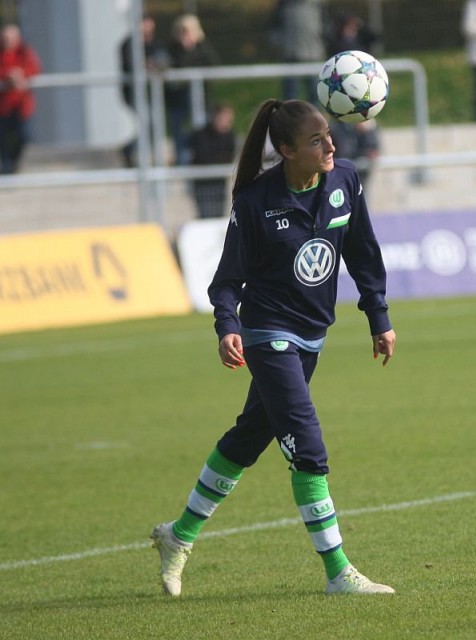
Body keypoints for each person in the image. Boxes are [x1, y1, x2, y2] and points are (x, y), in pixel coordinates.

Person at [150, 98, 396, 597]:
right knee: (307, 446)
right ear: (285, 150)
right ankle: (338, 572)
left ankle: (177, 537)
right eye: (315, 140)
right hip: (268, 335)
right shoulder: (256, 202)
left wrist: (378, 316)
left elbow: (363, 252)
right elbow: (225, 282)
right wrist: (227, 326)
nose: (330, 144)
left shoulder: (344, 180)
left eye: (328, 135)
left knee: (248, 438)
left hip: (312, 336)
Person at [165, 14, 219, 165]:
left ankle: (202, 164)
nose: (186, 35)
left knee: (202, 136)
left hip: (202, 100)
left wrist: (192, 49)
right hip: (178, 101)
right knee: (180, 135)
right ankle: (183, 167)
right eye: (183, 31)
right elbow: (176, 69)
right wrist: (186, 49)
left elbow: (212, 66)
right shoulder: (173, 49)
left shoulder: (203, 47)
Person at [119, 14, 167, 167]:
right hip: (134, 92)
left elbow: (163, 60)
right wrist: (145, 64)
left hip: (151, 92)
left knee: (152, 125)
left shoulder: (154, 43)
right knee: (148, 123)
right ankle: (131, 152)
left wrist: (155, 64)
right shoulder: (129, 44)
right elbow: (130, 64)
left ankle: (132, 151)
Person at [0, 24, 41, 174]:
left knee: (23, 136)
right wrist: (8, 76)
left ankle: (13, 164)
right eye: (4, 38)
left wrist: (20, 74)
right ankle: (7, 168)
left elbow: (35, 69)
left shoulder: (24, 52)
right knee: (3, 138)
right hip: (3, 107)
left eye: (10, 38)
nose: (7, 41)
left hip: (21, 105)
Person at [189, 103, 237, 218]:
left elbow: (229, 156)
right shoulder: (201, 135)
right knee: (206, 216)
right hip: (203, 183)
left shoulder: (230, 136)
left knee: (219, 214)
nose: (226, 124)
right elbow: (204, 157)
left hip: (219, 182)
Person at [273, 0, 326, 103]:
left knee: (315, 93)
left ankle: (315, 117)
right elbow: (275, 28)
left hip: (314, 55)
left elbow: (326, 27)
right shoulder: (284, 4)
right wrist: (281, 43)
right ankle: (290, 118)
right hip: (291, 56)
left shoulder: (318, 5)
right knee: (290, 94)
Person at [329, 117, 380, 187]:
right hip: (340, 174)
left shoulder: (368, 126)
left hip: (360, 174)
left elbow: (373, 150)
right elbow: (344, 152)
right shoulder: (336, 127)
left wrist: (366, 133)